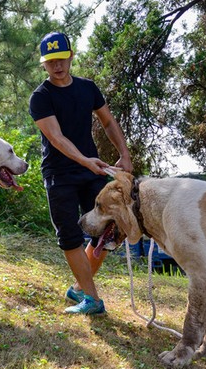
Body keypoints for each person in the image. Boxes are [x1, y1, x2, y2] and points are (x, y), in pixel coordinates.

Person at [28, 32, 133, 314]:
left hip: (91, 171)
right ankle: (92, 299)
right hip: (59, 173)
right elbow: (57, 138)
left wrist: (124, 154)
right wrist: (86, 161)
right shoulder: (41, 97)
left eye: (61, 59)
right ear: (44, 64)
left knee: (109, 231)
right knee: (70, 235)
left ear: (71, 55)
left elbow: (108, 122)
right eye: (51, 62)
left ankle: (78, 289)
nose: (57, 66)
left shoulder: (88, 88)